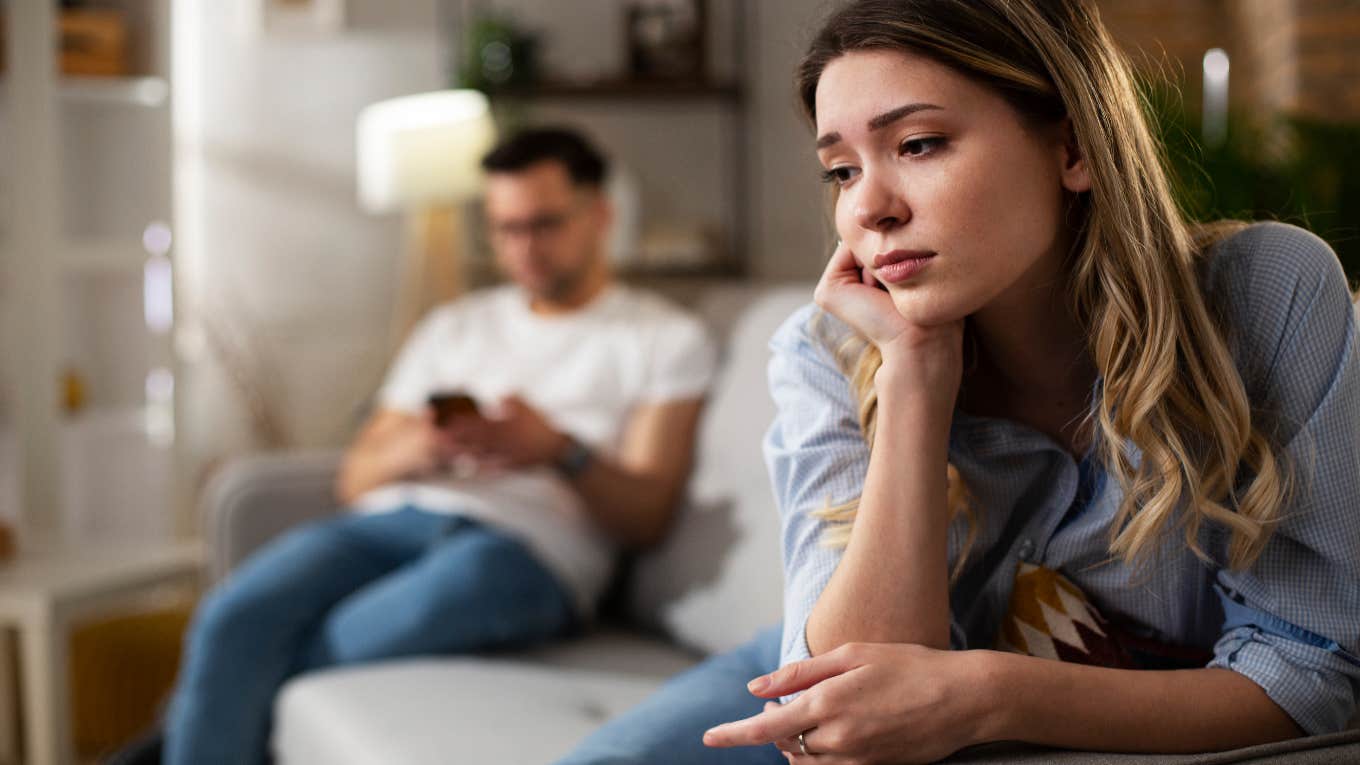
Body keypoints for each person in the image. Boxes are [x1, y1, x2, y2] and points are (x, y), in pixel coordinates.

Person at [558, 1, 1359, 763]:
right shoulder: (827, 349)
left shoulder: (1266, 296)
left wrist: (988, 694)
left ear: (1073, 149)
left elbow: (1312, 676)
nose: (869, 207)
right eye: (840, 170)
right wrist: (913, 374)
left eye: (918, 144)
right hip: (816, 670)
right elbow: (849, 714)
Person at [161, 127, 717, 765]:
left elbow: (647, 517)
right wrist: (420, 446)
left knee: (335, 641)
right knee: (233, 617)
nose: (522, 248)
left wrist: (556, 450)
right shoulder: (454, 326)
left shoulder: (664, 337)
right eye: (505, 228)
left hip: (524, 552)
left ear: (600, 215)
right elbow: (355, 479)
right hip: (392, 522)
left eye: (543, 225)